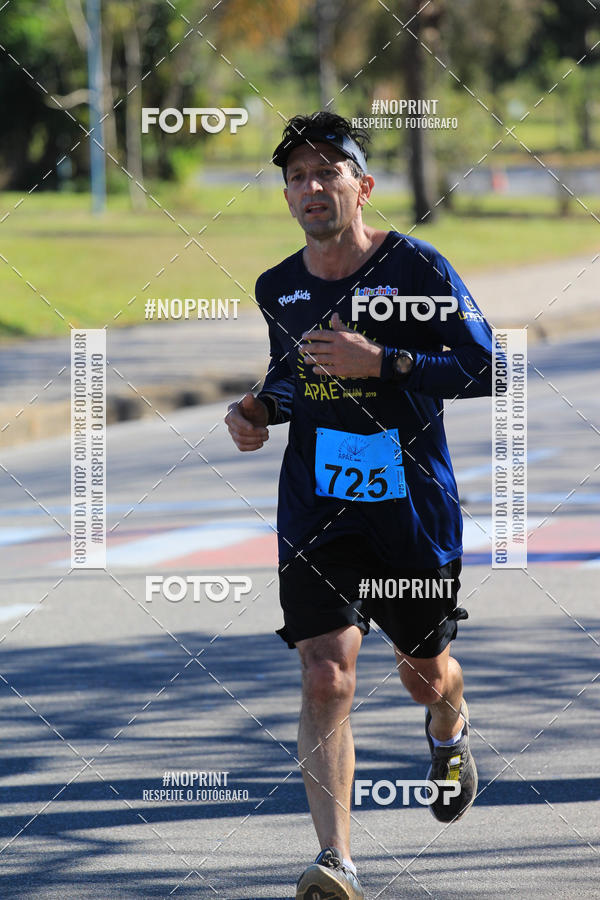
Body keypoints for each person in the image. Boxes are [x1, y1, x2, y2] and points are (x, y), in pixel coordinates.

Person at [225, 111, 493, 900]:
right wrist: (258, 413)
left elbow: (489, 369)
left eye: (326, 172)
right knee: (325, 675)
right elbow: (291, 376)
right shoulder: (280, 287)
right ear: (286, 196)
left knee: (423, 673)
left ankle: (449, 730)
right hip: (319, 508)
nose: (311, 187)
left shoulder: (417, 268)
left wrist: (388, 361)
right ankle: (336, 860)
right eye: (297, 177)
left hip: (410, 510)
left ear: (362, 186)